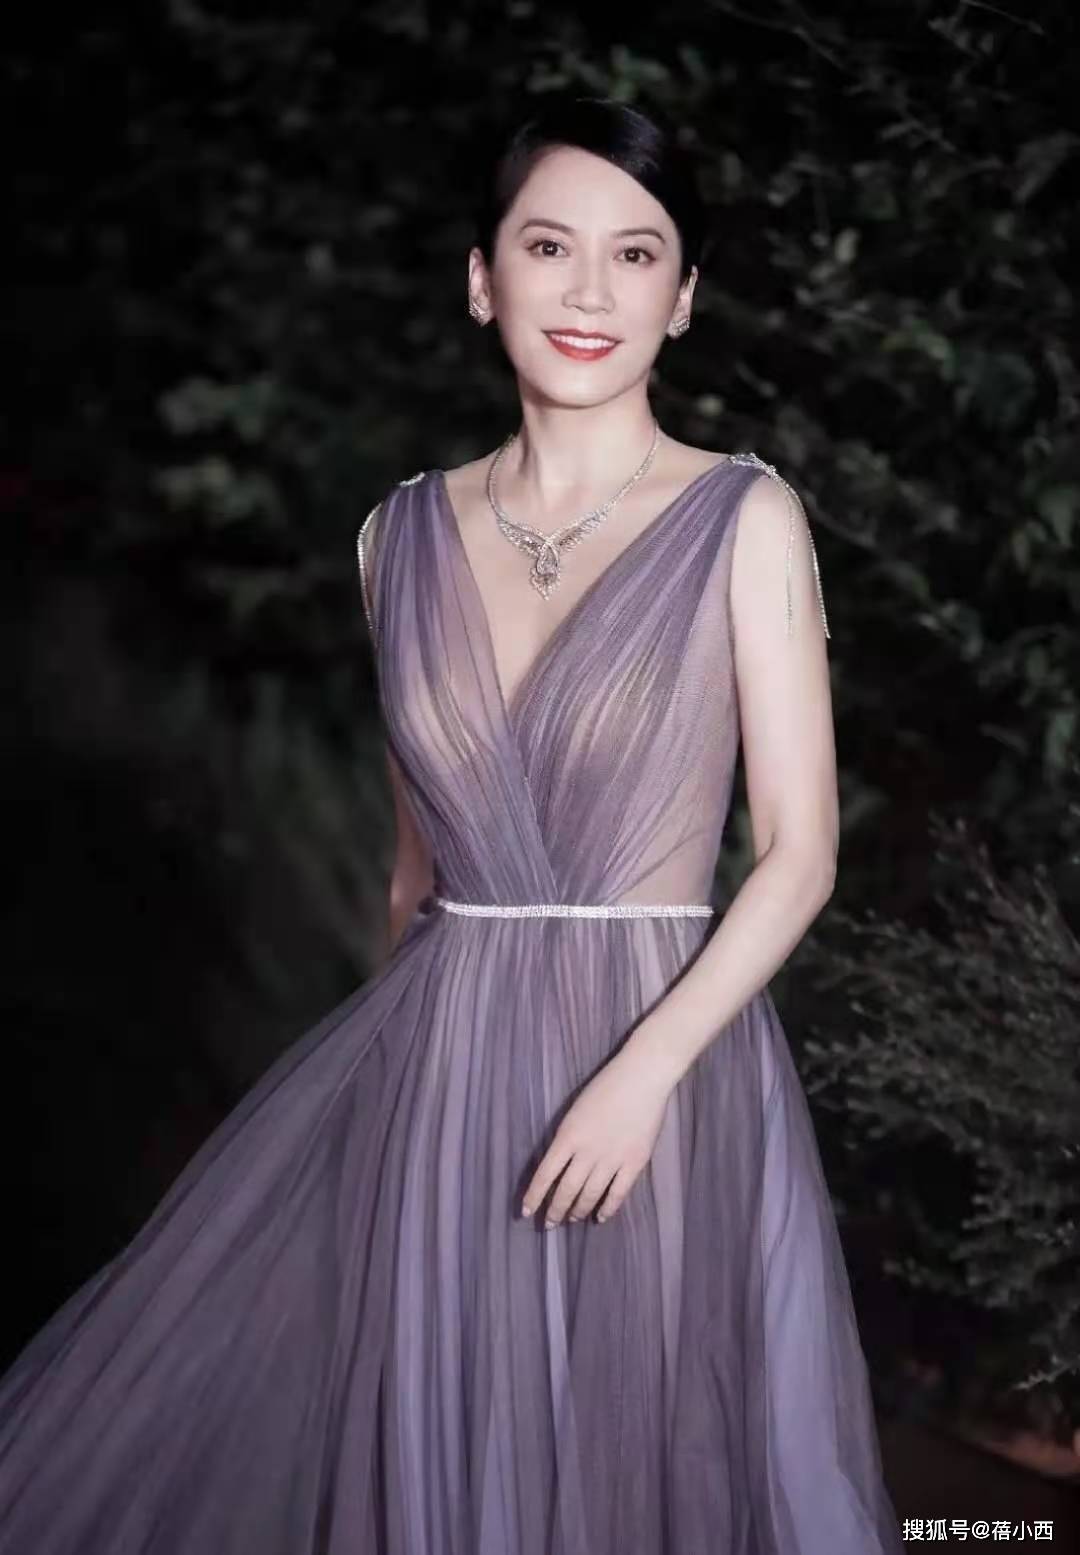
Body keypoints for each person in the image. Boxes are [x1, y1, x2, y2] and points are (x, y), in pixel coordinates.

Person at [0, 94, 903, 1554]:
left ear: (683, 298)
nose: (589, 290)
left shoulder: (744, 519)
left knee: (631, 1473)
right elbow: (415, 874)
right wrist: (387, 1109)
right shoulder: (397, 537)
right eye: (549, 246)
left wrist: (644, 1075)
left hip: (658, 1066)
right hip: (440, 1067)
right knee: (435, 1467)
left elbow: (802, 853)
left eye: (636, 255)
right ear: (484, 280)